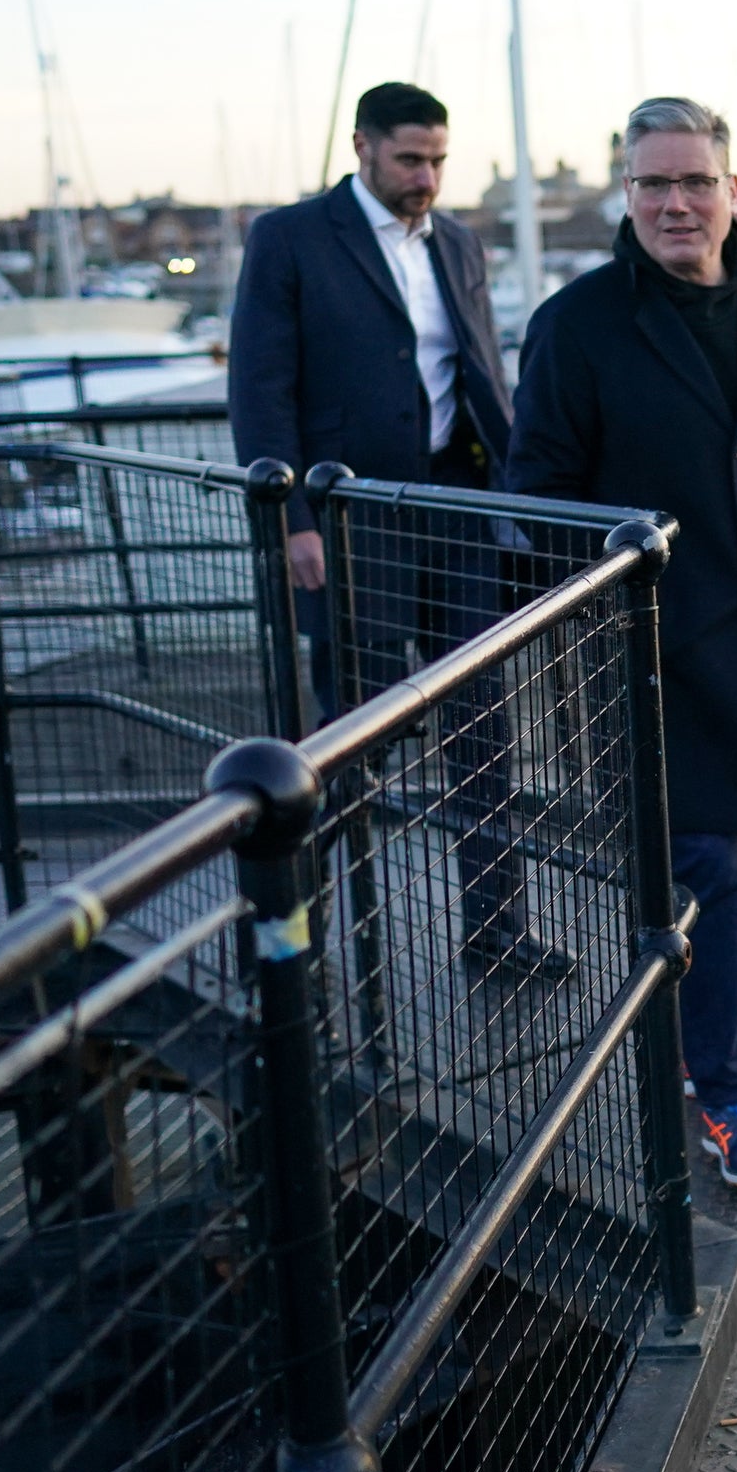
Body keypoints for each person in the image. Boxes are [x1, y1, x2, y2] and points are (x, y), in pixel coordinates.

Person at [506, 96, 737, 1189]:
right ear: (626, 193)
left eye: (694, 182)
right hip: (653, 651)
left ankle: (712, 1060)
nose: (675, 203)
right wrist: (606, 610)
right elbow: (536, 496)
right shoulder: (579, 323)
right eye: (653, 184)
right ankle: (733, 1087)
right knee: (704, 868)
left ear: (731, 191)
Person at [228, 80, 566, 978]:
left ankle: (497, 935)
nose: (427, 178)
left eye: (438, 161)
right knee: (349, 743)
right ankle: (302, 941)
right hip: (350, 522)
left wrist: (525, 501)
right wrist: (292, 519)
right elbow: (260, 389)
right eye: (411, 159)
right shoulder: (291, 238)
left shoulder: (457, 242)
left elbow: (486, 380)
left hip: (457, 513)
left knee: (483, 728)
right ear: (363, 148)